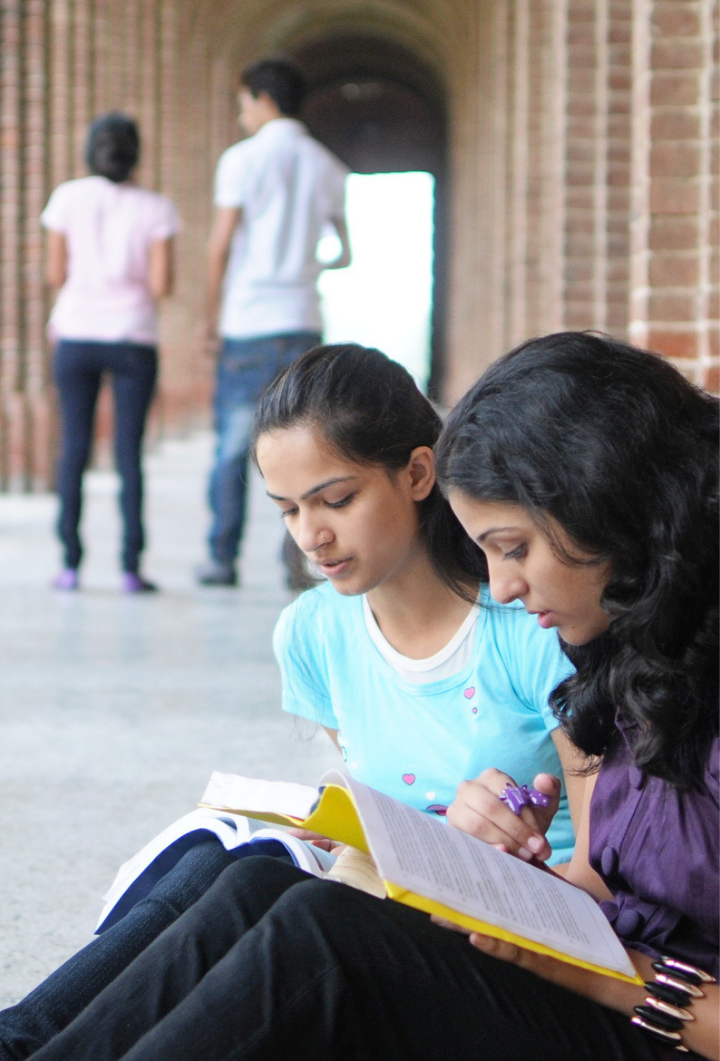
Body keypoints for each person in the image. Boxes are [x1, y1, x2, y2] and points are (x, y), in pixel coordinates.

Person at [14, 332, 717, 1061]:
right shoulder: (637, 663)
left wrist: (607, 974)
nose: (504, 585)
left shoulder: (547, 642)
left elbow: (622, 932)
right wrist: (510, 879)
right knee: (253, 883)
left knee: (320, 941)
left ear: (610, 505)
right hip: (594, 973)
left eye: (515, 548)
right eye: (288, 511)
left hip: (651, 1021)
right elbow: (612, 886)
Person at [195, 58, 351, 588]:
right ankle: (300, 561)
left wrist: (208, 316)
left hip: (248, 319)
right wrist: (308, 266)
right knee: (305, 448)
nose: (242, 117)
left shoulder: (242, 160)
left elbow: (219, 246)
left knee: (232, 447)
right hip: (302, 319)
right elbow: (345, 252)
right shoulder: (328, 165)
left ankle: (221, 556)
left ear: (263, 100)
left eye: (243, 105)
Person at [41, 113, 180, 593]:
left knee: (73, 449)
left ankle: (70, 564)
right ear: (135, 154)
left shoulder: (66, 198)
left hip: (76, 335)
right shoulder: (156, 208)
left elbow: (55, 275)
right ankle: (129, 567)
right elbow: (162, 284)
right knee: (128, 455)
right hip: (132, 338)